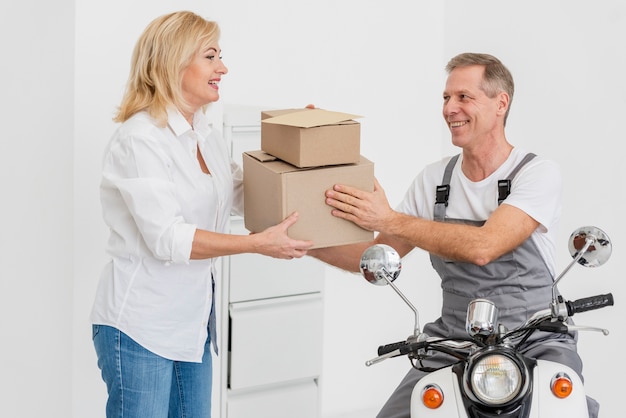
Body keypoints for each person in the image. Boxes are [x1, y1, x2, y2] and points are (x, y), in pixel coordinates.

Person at [309, 52, 599, 418]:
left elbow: (485, 247)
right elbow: (373, 256)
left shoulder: (536, 173)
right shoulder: (434, 179)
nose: (450, 108)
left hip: (535, 339)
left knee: (565, 409)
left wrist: (390, 218)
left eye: (464, 97)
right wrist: (300, 242)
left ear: (500, 103)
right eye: (446, 98)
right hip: (452, 342)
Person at [90, 11, 313, 418]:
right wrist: (256, 245)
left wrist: (299, 141)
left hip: (192, 327)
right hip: (140, 327)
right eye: (211, 56)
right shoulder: (140, 138)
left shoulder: (204, 133)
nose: (222, 68)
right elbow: (168, 239)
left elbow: (242, 195)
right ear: (174, 61)